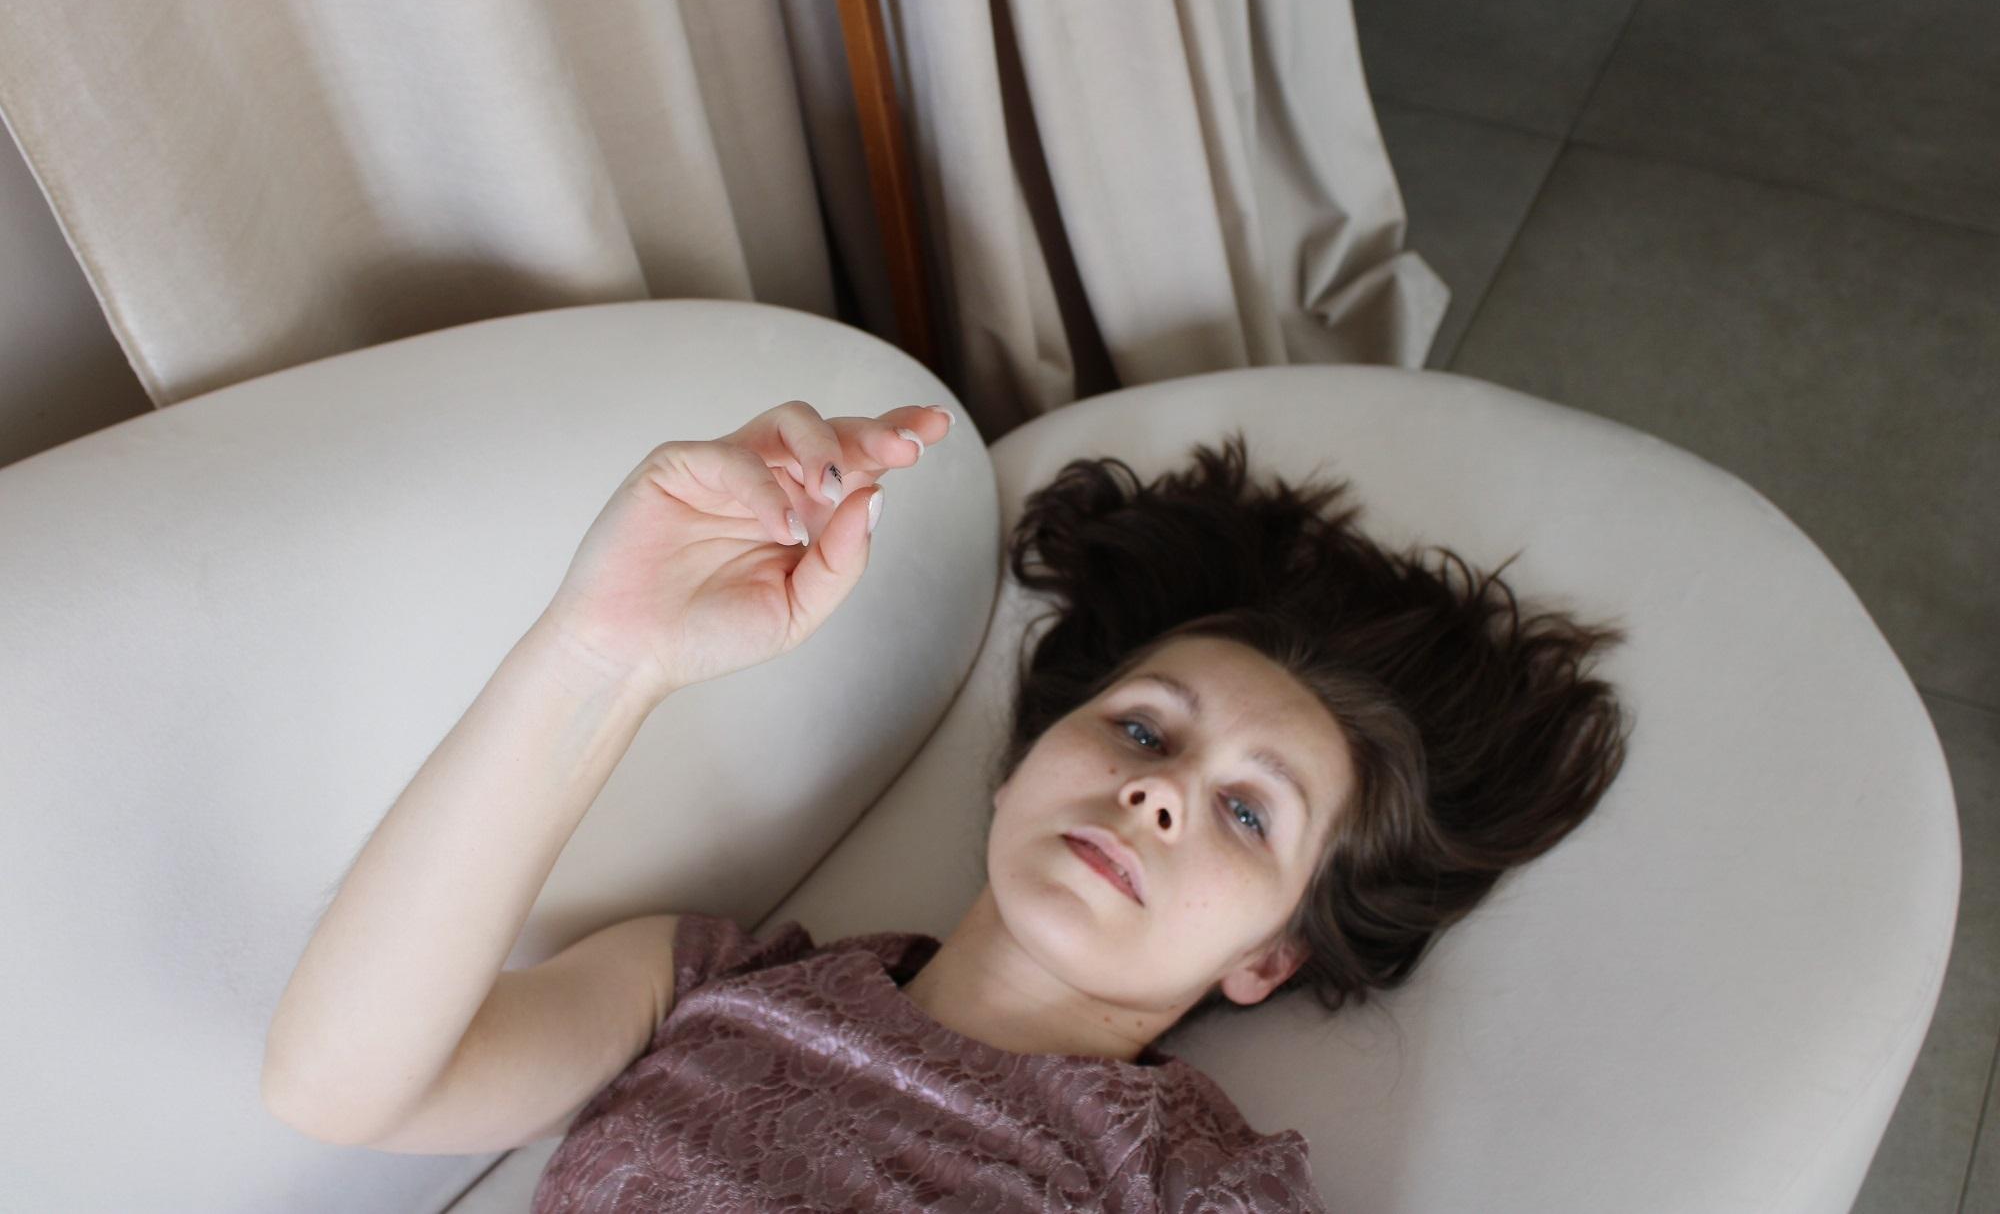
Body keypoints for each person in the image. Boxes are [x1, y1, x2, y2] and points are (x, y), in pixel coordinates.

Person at [263, 399, 1632, 1212]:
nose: (1158, 790)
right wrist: (604, 645)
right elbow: (336, 1085)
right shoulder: (699, 987)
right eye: (1142, 729)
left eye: (1247, 814)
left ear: (1269, 956)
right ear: (1026, 764)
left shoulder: (1196, 1187)